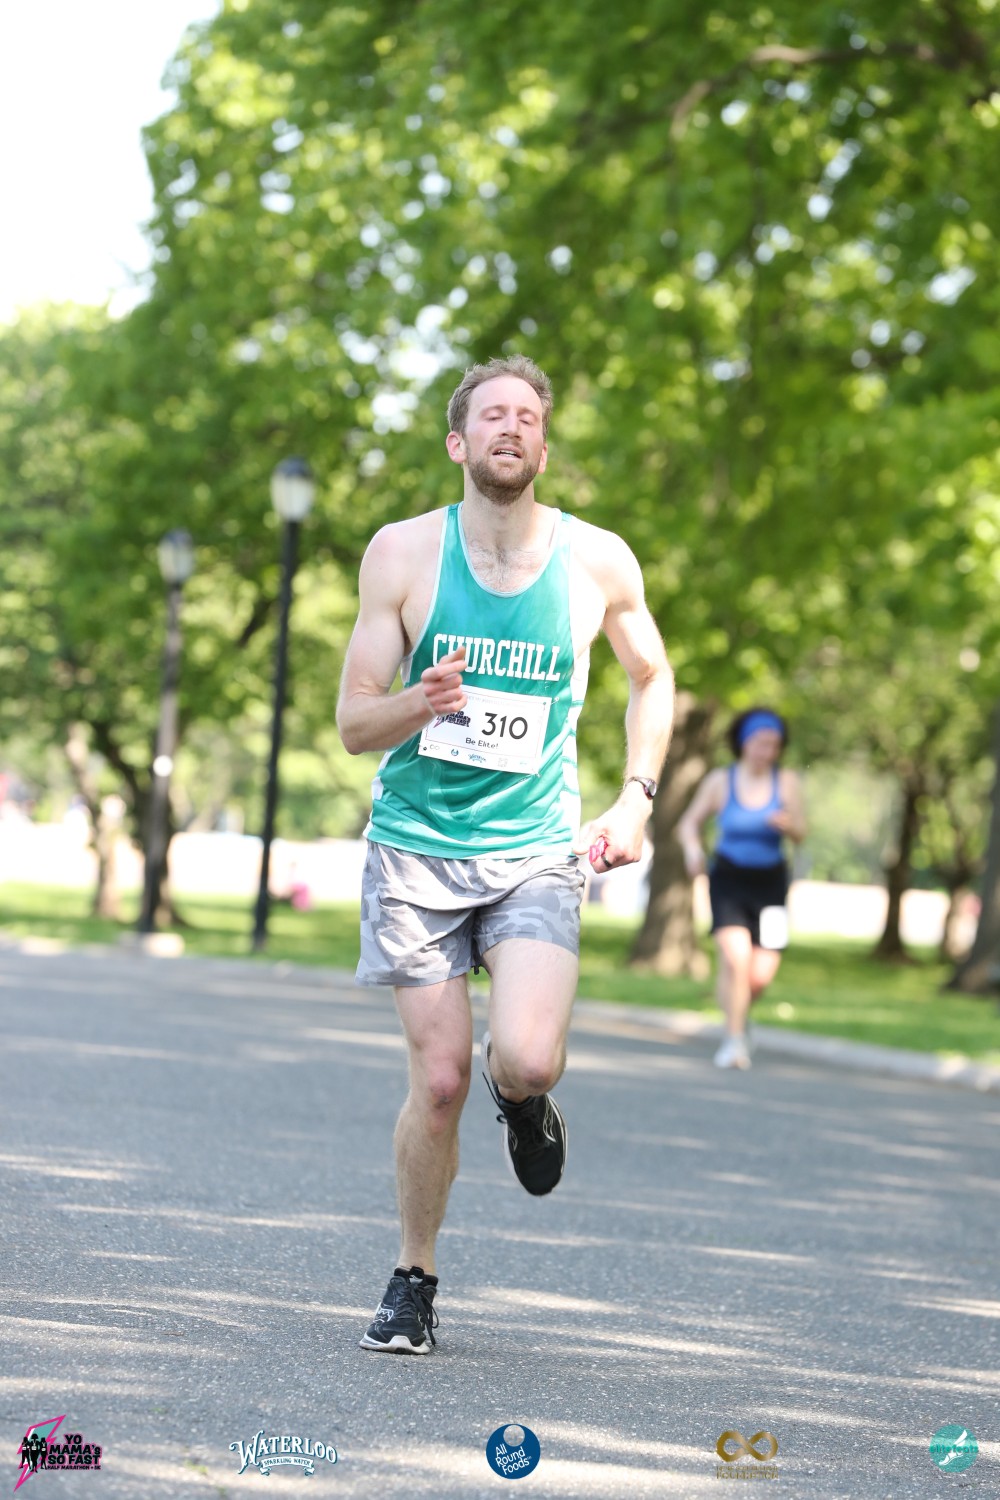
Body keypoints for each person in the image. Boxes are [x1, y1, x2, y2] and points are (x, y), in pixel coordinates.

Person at [336, 353, 674, 1353]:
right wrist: (420, 701)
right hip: (415, 853)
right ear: (459, 442)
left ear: (543, 447)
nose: (512, 426)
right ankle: (413, 1277)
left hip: (533, 849)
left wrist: (636, 796)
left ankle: (522, 1100)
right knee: (439, 1081)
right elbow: (354, 722)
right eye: (492, 414)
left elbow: (652, 676)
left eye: (529, 415)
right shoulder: (402, 554)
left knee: (525, 1057)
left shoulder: (598, 561)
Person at [677, 707, 806, 1070]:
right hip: (728, 879)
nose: (768, 751)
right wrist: (692, 850)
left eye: (775, 745)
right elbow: (688, 823)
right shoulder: (721, 780)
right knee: (736, 960)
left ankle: (740, 1015)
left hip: (772, 883)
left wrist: (788, 826)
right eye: (761, 742)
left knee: (760, 975)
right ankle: (734, 1041)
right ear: (744, 742)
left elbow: (802, 832)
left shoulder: (786, 781)